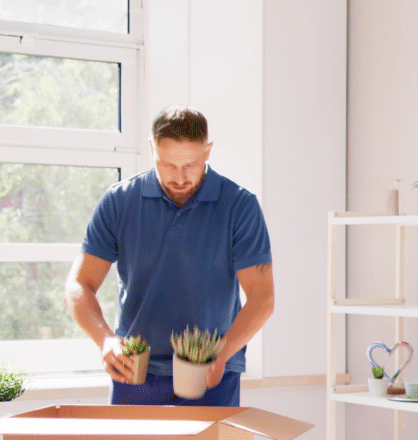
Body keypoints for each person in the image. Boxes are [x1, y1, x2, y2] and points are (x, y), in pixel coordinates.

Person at [65, 106, 273, 407]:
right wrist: (105, 340)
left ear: (208, 151)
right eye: (167, 165)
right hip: (133, 371)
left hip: (211, 372)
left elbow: (262, 296)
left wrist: (223, 354)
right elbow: (79, 285)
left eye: (190, 165)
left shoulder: (239, 206)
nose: (179, 177)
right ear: (152, 149)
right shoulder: (119, 202)